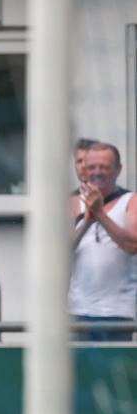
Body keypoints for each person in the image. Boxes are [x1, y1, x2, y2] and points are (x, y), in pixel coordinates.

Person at [69, 142, 137, 342]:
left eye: (104, 167)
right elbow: (57, 253)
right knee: (79, 373)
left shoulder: (130, 201)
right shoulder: (73, 203)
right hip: (79, 311)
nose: (97, 172)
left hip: (118, 312)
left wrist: (101, 215)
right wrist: (87, 222)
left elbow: (132, 245)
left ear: (118, 170)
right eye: (92, 167)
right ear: (84, 170)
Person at [69, 138, 99, 218]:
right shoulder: (66, 201)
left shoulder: (117, 198)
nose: (83, 166)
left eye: (88, 160)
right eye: (79, 161)